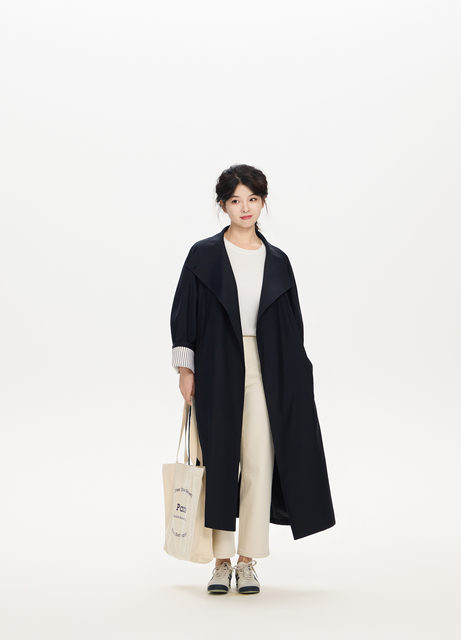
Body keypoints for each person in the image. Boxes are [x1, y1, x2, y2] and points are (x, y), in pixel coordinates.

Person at [170, 164, 335, 595]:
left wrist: (299, 376)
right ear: (223, 205)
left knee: (260, 460)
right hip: (217, 364)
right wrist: (186, 370)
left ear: (262, 203)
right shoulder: (204, 255)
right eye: (236, 200)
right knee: (220, 460)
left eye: (253, 199)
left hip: (268, 367)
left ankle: (247, 561)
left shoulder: (277, 260)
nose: (245, 208)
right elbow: (184, 313)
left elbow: (293, 324)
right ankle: (220, 561)